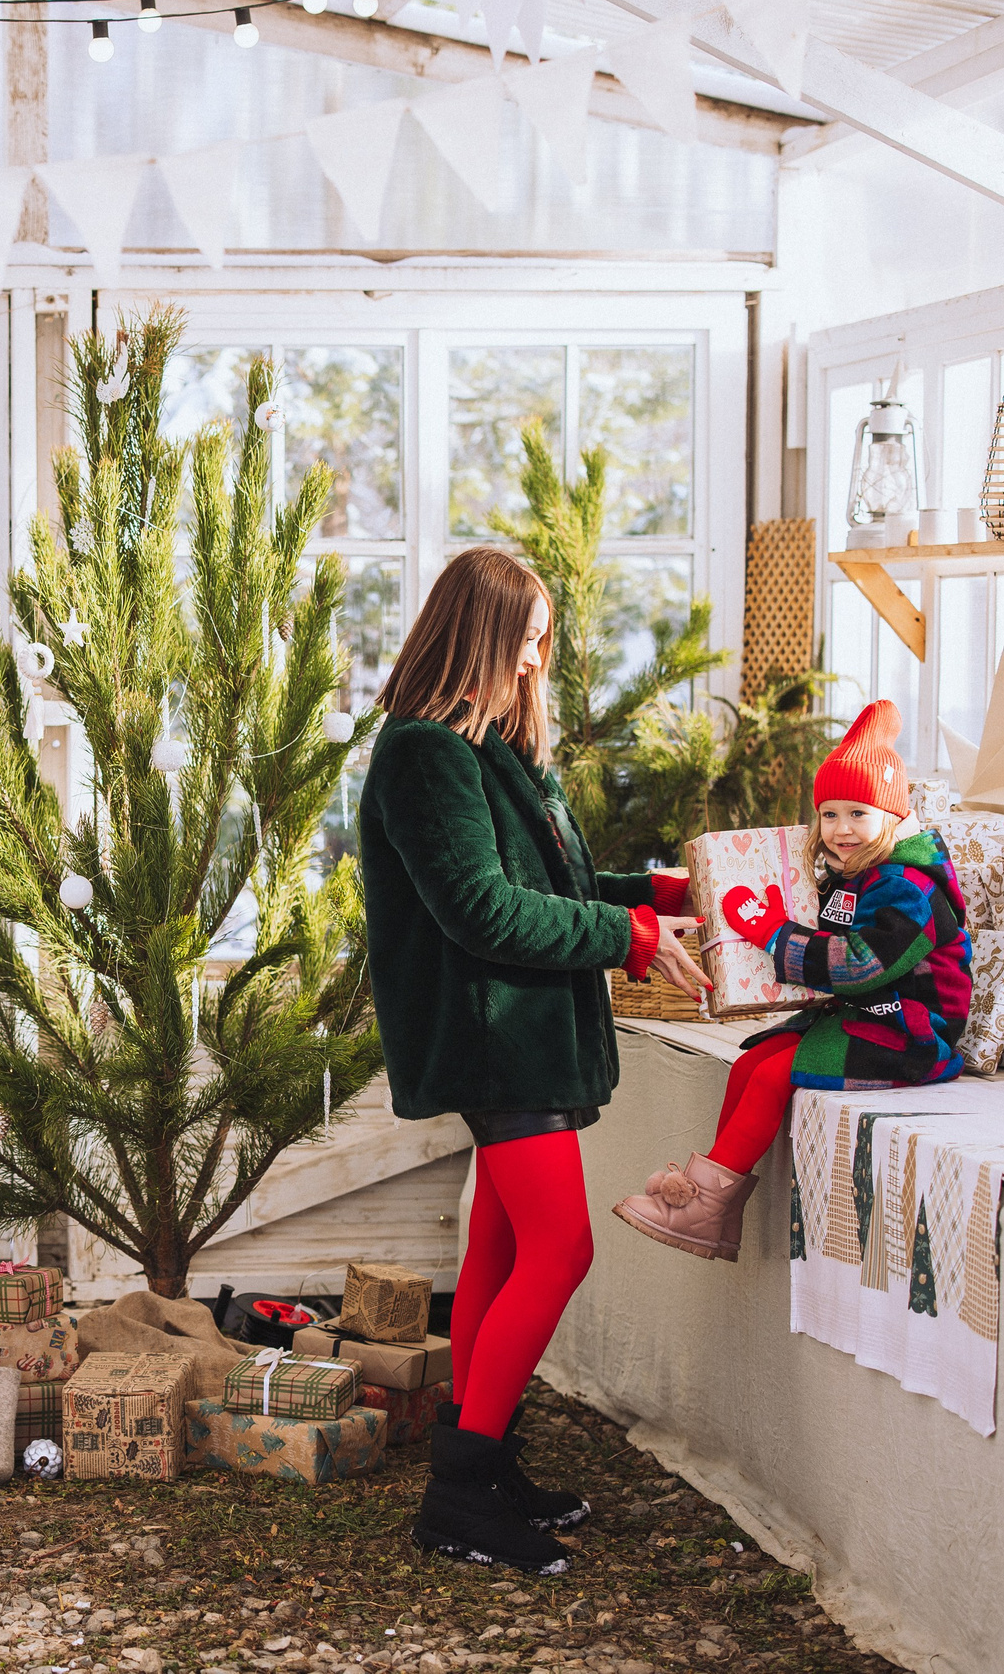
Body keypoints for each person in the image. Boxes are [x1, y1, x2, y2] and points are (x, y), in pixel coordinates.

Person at [358, 547, 709, 1577]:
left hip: (517, 1031)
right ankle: (456, 1498)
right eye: (527, 632)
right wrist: (627, 936)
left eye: (543, 633)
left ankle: (486, 1452)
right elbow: (481, 909)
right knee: (560, 1250)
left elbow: (543, 877)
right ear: (478, 631)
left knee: (503, 1252)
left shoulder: (486, 750)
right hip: (491, 1036)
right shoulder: (425, 753)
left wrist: (657, 891)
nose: (538, 653)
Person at [614, 699, 973, 1259]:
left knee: (776, 1074)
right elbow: (825, 929)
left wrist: (775, 932)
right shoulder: (857, 875)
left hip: (913, 1031)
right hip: (864, 1014)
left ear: (895, 815)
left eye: (859, 813)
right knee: (752, 1060)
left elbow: (861, 965)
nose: (841, 829)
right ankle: (709, 1204)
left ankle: (704, 1205)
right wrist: (777, 905)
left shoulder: (911, 887)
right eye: (829, 814)